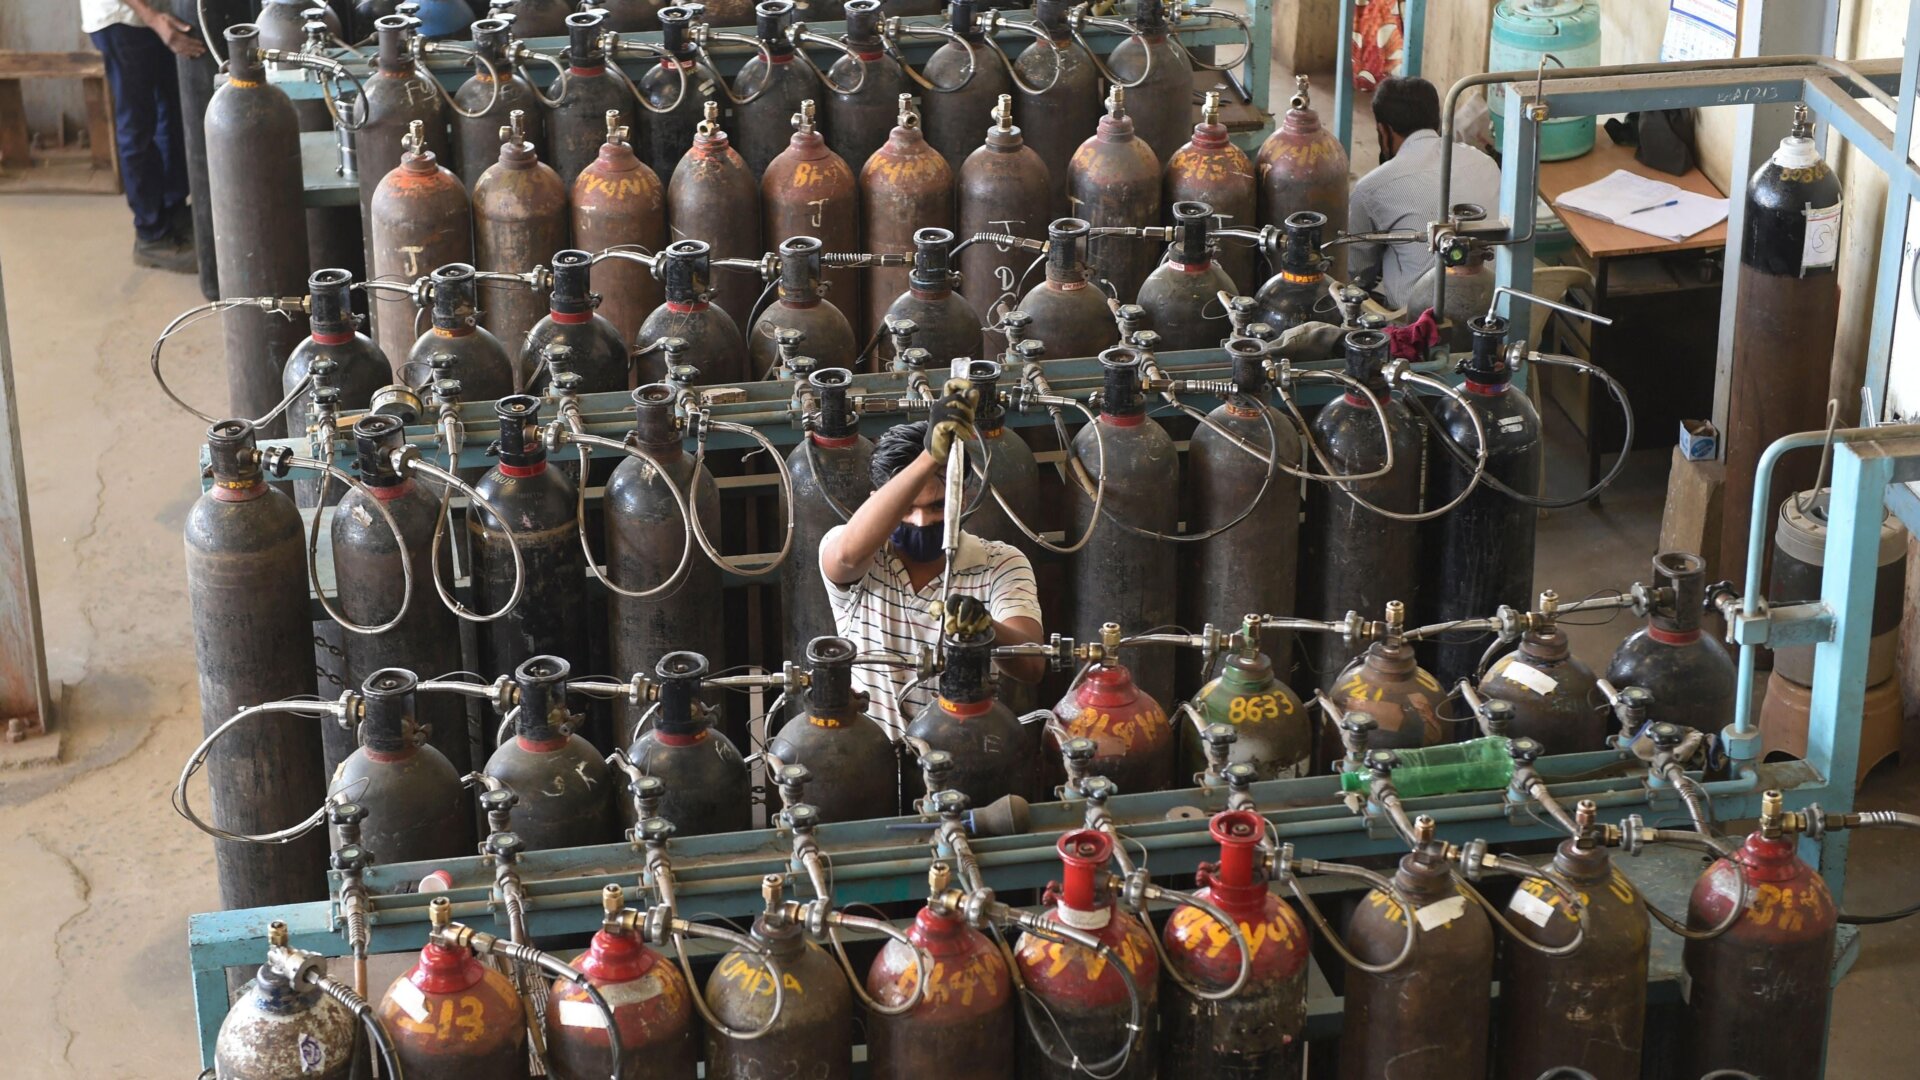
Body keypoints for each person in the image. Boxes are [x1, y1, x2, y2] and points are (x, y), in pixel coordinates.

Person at [818, 383, 1044, 734]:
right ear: (884, 501)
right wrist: (931, 457)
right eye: (908, 508)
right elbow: (844, 558)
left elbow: (1031, 665)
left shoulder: (1001, 563)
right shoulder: (861, 556)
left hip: (966, 753)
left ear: (963, 499)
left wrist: (985, 626)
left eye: (938, 506)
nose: (922, 521)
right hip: (874, 760)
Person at [1348, 75, 1503, 312]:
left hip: (1420, 324)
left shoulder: (1371, 188)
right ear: (1437, 122)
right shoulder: (1485, 162)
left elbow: (1357, 275)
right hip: (1496, 305)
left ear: (1383, 130)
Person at [82, 0, 203, 273]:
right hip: (123, 18)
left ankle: (171, 211)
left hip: (155, 15)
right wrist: (152, 17)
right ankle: (151, 235)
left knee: (169, 116)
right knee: (137, 128)